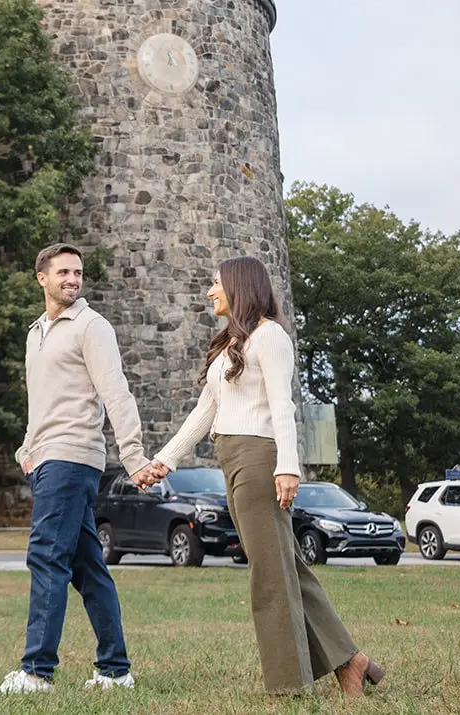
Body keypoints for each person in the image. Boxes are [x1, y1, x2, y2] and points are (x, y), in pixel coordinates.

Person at [141, 256, 385, 698]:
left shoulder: (270, 337)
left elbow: (282, 405)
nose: (210, 292)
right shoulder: (233, 342)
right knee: (285, 567)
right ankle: (352, 662)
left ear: (238, 287)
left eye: (215, 284)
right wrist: (166, 460)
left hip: (258, 457)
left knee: (269, 575)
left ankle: (288, 685)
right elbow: (207, 409)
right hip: (231, 456)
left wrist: (289, 466)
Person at [0, 242, 157, 697]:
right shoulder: (36, 332)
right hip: (47, 458)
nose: (73, 280)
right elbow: (41, 403)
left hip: (73, 457)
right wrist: (25, 450)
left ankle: (36, 672)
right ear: (42, 277)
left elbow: (116, 392)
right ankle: (115, 671)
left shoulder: (92, 326)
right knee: (86, 566)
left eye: (78, 273)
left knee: (45, 557)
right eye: (63, 273)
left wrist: (133, 457)